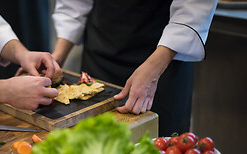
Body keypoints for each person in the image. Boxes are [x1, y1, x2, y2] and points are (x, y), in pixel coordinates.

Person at [51, 0, 218, 136]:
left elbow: (194, 6)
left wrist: (155, 66)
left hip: (163, 57)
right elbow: (75, 4)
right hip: (100, 52)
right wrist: (57, 59)